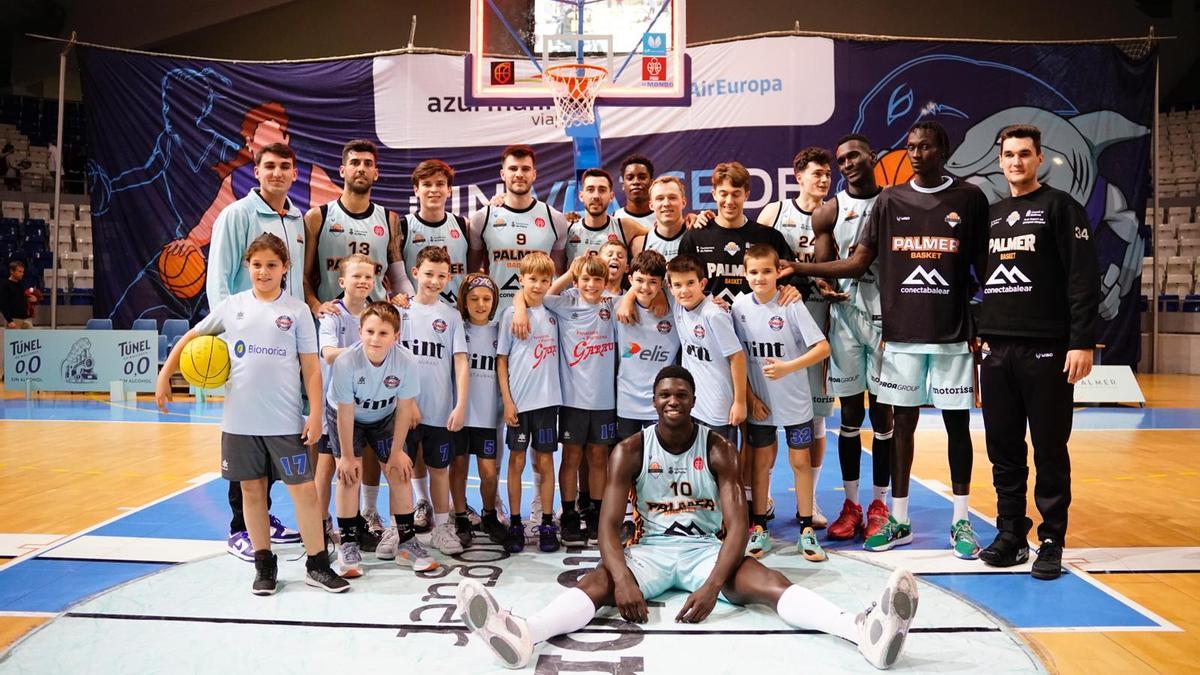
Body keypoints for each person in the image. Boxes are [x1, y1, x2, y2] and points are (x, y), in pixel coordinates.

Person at [455, 365, 919, 671]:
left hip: (703, 552)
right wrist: (623, 577)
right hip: (651, 552)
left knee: (767, 580)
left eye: (680, 394)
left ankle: (863, 631)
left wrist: (714, 585)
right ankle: (524, 634)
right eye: (664, 394)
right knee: (598, 583)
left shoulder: (717, 447)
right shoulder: (631, 450)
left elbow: (738, 526)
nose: (672, 400)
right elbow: (608, 525)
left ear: (693, 399)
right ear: (653, 401)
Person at [785, 121, 989, 559]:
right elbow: (850, 263)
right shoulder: (856, 207)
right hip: (867, 325)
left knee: (904, 422)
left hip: (905, 323)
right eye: (911, 147)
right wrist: (806, 273)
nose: (916, 153)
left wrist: (983, 323)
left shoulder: (964, 198)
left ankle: (938, 517)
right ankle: (861, 506)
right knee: (853, 418)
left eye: (925, 146)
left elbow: (984, 266)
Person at [155, 233, 348, 595]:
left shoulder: (296, 311)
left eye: (271, 265)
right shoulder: (233, 306)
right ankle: (264, 565)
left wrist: (316, 414)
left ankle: (317, 564)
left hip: (284, 421)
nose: (263, 271)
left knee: (304, 493)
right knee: (252, 491)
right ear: (248, 267)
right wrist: (166, 373)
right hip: (240, 423)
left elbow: (312, 368)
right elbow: (192, 336)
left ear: (285, 267)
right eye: (257, 265)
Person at [977, 124, 1100, 581]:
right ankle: (1011, 533)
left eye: (1024, 154)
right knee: (1003, 449)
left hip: (1048, 349)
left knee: (1049, 447)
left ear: (1040, 158)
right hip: (997, 349)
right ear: (999, 160)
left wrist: (1081, 341)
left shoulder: (1062, 208)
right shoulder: (990, 216)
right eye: (1009, 155)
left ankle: (1051, 540)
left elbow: (1082, 279)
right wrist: (978, 331)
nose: (1016, 162)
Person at [205, 141, 304, 561]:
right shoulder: (236, 215)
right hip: (247, 346)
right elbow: (220, 282)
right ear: (257, 172)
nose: (277, 172)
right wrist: (229, 342)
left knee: (278, 430)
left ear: (294, 173)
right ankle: (240, 527)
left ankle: (262, 517)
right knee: (246, 433)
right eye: (269, 166)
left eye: (285, 166)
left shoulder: (296, 219)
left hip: (286, 344)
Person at [304, 139, 402, 535]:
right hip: (335, 325)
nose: (361, 168)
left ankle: (366, 512)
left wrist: (402, 297)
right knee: (328, 441)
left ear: (376, 173)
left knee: (369, 434)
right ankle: (319, 520)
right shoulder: (319, 216)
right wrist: (313, 303)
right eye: (354, 163)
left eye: (368, 163)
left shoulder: (389, 219)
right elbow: (305, 275)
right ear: (342, 170)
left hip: (374, 331)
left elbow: (396, 271)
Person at [810, 134, 893, 542]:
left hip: (884, 319)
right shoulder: (828, 211)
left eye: (854, 155)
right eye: (841, 159)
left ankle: (880, 503)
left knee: (883, 418)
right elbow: (825, 265)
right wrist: (824, 286)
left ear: (872, 155)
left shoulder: (895, 202)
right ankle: (851, 503)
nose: (847, 164)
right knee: (849, 418)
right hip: (844, 320)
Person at [733, 245, 831, 560]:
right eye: (753, 272)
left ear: (778, 272)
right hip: (761, 404)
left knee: (800, 462)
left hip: (795, 403)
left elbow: (823, 348)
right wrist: (749, 397)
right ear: (744, 274)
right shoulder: (739, 307)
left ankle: (805, 528)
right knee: (760, 463)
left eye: (766, 271)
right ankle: (760, 526)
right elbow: (736, 358)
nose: (760, 277)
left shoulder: (791, 304)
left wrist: (788, 367)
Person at [327, 301, 436, 577]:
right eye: (370, 331)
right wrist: (348, 457)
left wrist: (397, 451)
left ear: (396, 336)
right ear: (360, 332)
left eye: (383, 333)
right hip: (347, 416)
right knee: (349, 475)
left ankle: (408, 543)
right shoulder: (346, 362)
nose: (375, 339)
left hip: (385, 416)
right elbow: (345, 413)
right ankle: (348, 544)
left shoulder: (407, 361)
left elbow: (404, 408)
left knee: (400, 472)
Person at [758, 147, 837, 529]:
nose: (823, 179)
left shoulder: (836, 213)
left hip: (818, 316)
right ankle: (765, 494)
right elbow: (754, 257)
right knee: (767, 415)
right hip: (776, 318)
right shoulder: (774, 212)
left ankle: (813, 498)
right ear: (798, 176)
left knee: (817, 414)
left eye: (827, 174)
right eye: (816, 173)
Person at [514, 255, 617, 545]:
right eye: (585, 279)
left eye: (598, 279)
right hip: (572, 399)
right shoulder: (564, 303)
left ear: (606, 282)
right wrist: (573, 270)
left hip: (604, 400)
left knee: (598, 457)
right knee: (571, 457)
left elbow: (640, 301)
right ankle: (569, 513)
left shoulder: (612, 304)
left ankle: (595, 512)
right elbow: (537, 294)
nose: (591, 284)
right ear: (575, 281)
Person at [398, 246, 470, 555]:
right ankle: (401, 531)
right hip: (403, 409)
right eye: (428, 274)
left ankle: (442, 526)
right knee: (402, 468)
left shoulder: (451, 315)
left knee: (440, 469)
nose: (434, 281)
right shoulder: (400, 312)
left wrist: (461, 404)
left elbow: (460, 362)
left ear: (449, 278)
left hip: (440, 410)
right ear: (415, 273)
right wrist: (408, 401)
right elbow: (394, 361)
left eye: (442, 276)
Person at [496, 251, 562, 553]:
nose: (538, 285)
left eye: (544, 280)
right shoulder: (510, 315)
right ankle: (516, 522)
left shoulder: (554, 311)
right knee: (517, 462)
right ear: (520, 279)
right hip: (519, 405)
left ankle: (547, 522)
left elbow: (563, 286)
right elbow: (502, 361)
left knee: (546, 461)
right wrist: (507, 401)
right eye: (531, 279)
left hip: (548, 403)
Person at [315, 254, 379, 554]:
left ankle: (352, 522)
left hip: (364, 404)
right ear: (342, 282)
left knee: (355, 465)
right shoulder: (331, 314)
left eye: (368, 276)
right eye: (357, 276)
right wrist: (369, 349)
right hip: (334, 402)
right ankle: (318, 523)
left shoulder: (375, 313)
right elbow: (328, 353)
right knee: (328, 465)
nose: (363, 281)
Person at [677, 162, 797, 305]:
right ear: (714, 194)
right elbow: (680, 281)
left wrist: (792, 289)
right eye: (724, 194)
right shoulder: (695, 237)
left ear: (746, 195)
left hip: (756, 323)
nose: (729, 201)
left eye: (736, 194)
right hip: (710, 324)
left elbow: (793, 276)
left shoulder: (768, 237)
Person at [467, 145, 568, 315]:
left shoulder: (555, 219)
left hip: (541, 316)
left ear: (534, 174)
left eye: (525, 169)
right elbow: (472, 271)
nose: (519, 174)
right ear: (502, 174)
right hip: (496, 316)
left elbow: (558, 273)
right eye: (513, 168)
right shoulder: (483, 218)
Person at [666, 255, 746, 442]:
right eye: (677, 285)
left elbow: (737, 357)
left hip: (718, 405)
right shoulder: (678, 306)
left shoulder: (714, 314)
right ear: (670, 289)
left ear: (702, 283)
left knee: (721, 464)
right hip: (694, 404)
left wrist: (740, 402)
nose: (684, 290)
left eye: (690, 283)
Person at [455, 273, 509, 545]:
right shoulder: (456, 327)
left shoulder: (500, 330)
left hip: (487, 416)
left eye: (486, 299)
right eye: (474, 299)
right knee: (459, 469)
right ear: (464, 302)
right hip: (460, 416)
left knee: (489, 473)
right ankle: (461, 517)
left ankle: (489, 515)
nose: (480, 304)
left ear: (494, 301)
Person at [396, 159, 469, 305]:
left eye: (440, 184)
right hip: (418, 315)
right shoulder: (403, 226)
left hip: (456, 315)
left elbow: (473, 272)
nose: (434, 189)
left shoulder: (463, 225)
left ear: (449, 190)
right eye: (427, 184)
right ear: (416, 190)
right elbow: (396, 277)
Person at [564, 168, 648, 262]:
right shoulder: (568, 229)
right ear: (581, 196)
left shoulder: (625, 227)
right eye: (590, 190)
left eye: (602, 190)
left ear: (611, 196)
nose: (596, 196)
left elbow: (658, 236)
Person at [630, 175, 687, 261]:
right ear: (651, 205)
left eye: (672, 197)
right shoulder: (639, 245)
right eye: (660, 199)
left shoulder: (697, 237)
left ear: (683, 202)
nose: (666, 203)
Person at [613, 154, 657, 228]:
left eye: (642, 177)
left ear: (652, 183)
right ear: (623, 185)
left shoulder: (663, 218)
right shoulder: (614, 220)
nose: (636, 182)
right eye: (630, 178)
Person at [1, 262, 34, 329]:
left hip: (26, 319)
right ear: (12, 271)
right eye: (19, 271)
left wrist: (32, 299)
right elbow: (3, 304)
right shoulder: (5, 285)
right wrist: (9, 320)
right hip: (14, 320)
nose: (22, 274)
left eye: (22, 272)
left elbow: (22, 298)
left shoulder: (22, 284)